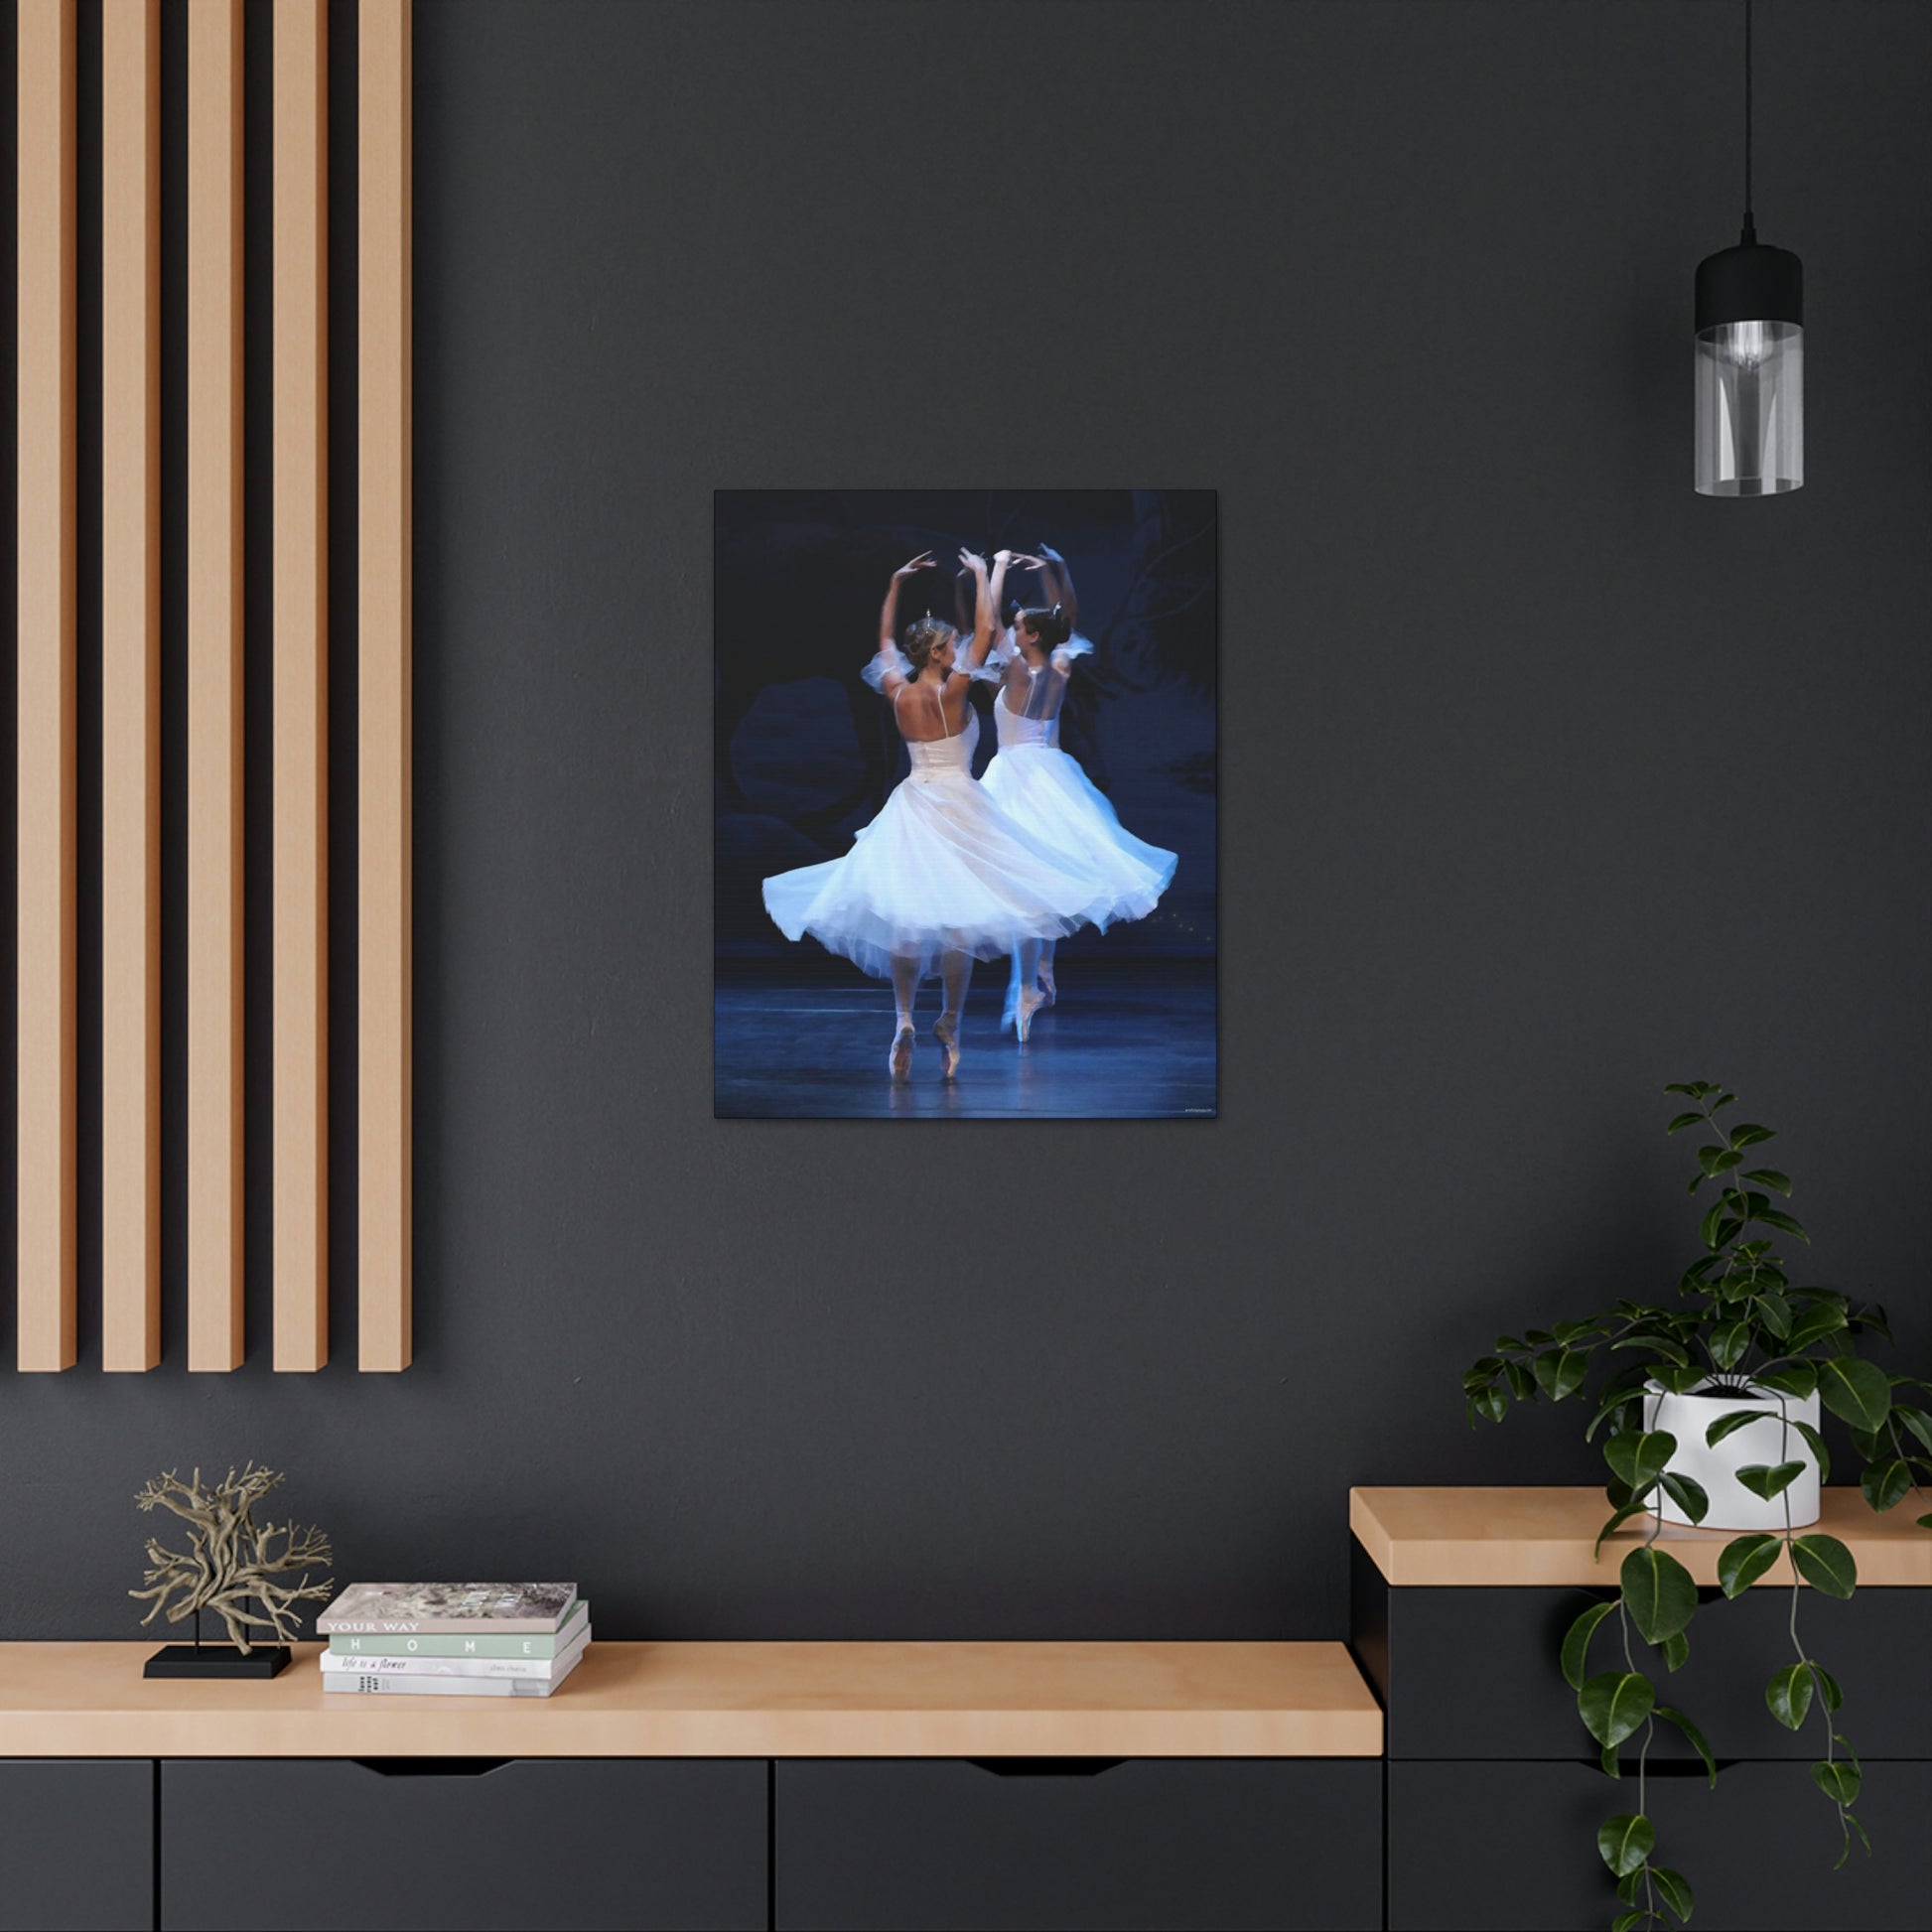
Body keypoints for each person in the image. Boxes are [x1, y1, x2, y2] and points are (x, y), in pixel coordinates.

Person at [760, 549, 1115, 1078]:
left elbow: (883, 644)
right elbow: (986, 628)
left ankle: (903, 1018)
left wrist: (894, 585)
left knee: (907, 920)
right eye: (950, 646)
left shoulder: (898, 691)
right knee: (960, 925)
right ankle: (949, 1021)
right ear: (937, 654)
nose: (957, 651)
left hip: (912, 805)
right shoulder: (955, 690)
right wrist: (979, 573)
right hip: (960, 806)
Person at [979, 545, 1178, 1036]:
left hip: (1019, 778)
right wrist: (1057, 568)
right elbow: (1067, 616)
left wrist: (995, 570)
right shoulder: (1060, 665)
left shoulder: (1020, 671)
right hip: (1052, 774)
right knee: (1043, 882)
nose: (1013, 626)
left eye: (1020, 625)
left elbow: (989, 623)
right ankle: (1042, 974)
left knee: (1026, 888)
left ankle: (1026, 988)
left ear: (1029, 638)